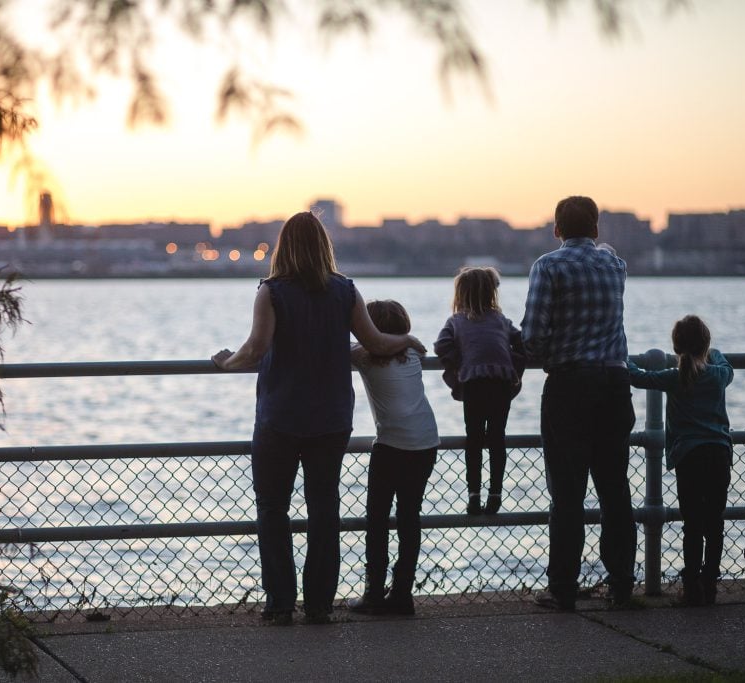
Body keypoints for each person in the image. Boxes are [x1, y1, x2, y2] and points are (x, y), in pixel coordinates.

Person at [211, 211, 425, 626]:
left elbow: (254, 351)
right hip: (330, 418)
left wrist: (224, 363)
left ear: (283, 247)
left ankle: (279, 604)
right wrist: (409, 340)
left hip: (280, 415)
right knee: (324, 509)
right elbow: (376, 342)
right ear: (324, 245)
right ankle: (319, 604)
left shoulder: (271, 292)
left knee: (273, 509)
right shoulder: (345, 291)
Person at [521, 195, 637, 611]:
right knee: (614, 488)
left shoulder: (548, 267)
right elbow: (606, 252)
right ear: (597, 228)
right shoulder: (615, 265)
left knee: (567, 494)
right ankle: (622, 582)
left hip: (570, 385)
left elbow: (533, 336)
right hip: (614, 382)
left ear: (556, 230)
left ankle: (563, 588)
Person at [628, 316, 734, 606]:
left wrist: (623, 357)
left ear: (675, 348)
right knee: (714, 523)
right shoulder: (717, 374)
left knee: (692, 524)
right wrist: (711, 352)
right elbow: (726, 365)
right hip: (718, 454)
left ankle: (690, 587)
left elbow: (638, 377)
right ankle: (710, 584)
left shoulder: (674, 376)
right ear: (706, 344)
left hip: (689, 456)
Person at [347, 300, 440, 616]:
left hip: (391, 445)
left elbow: (337, 345)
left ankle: (373, 592)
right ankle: (402, 592)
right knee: (409, 518)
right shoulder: (413, 353)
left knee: (377, 520)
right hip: (426, 441)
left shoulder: (364, 357)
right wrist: (408, 341)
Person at [434, 267, 524, 516]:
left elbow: (441, 344)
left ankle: (473, 495)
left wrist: (459, 363)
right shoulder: (500, 320)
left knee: (473, 439)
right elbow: (521, 342)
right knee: (497, 437)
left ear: (461, 294)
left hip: (473, 383)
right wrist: (511, 364)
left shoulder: (457, 321)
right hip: (501, 383)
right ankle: (495, 493)